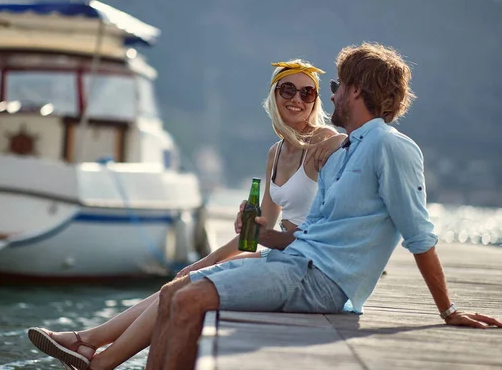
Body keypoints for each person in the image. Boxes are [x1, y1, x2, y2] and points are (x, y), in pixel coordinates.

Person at [143, 42, 502, 370]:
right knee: (173, 292)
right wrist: (260, 234)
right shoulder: (344, 152)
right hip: (295, 264)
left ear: (356, 91)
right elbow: (310, 236)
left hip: (321, 281)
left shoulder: (391, 147)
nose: (331, 99)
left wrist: (448, 310)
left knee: (189, 300)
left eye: (336, 87)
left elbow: (419, 235)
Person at [27, 59, 346, 370]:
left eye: (308, 93)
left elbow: (341, 203)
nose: (297, 100)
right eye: (288, 90)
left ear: (317, 101)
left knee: (175, 291)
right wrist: (202, 262)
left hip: (304, 263)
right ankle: (88, 343)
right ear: (274, 96)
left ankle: (93, 353)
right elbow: (253, 237)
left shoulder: (325, 141)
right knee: (174, 285)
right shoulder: (276, 153)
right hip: (276, 256)